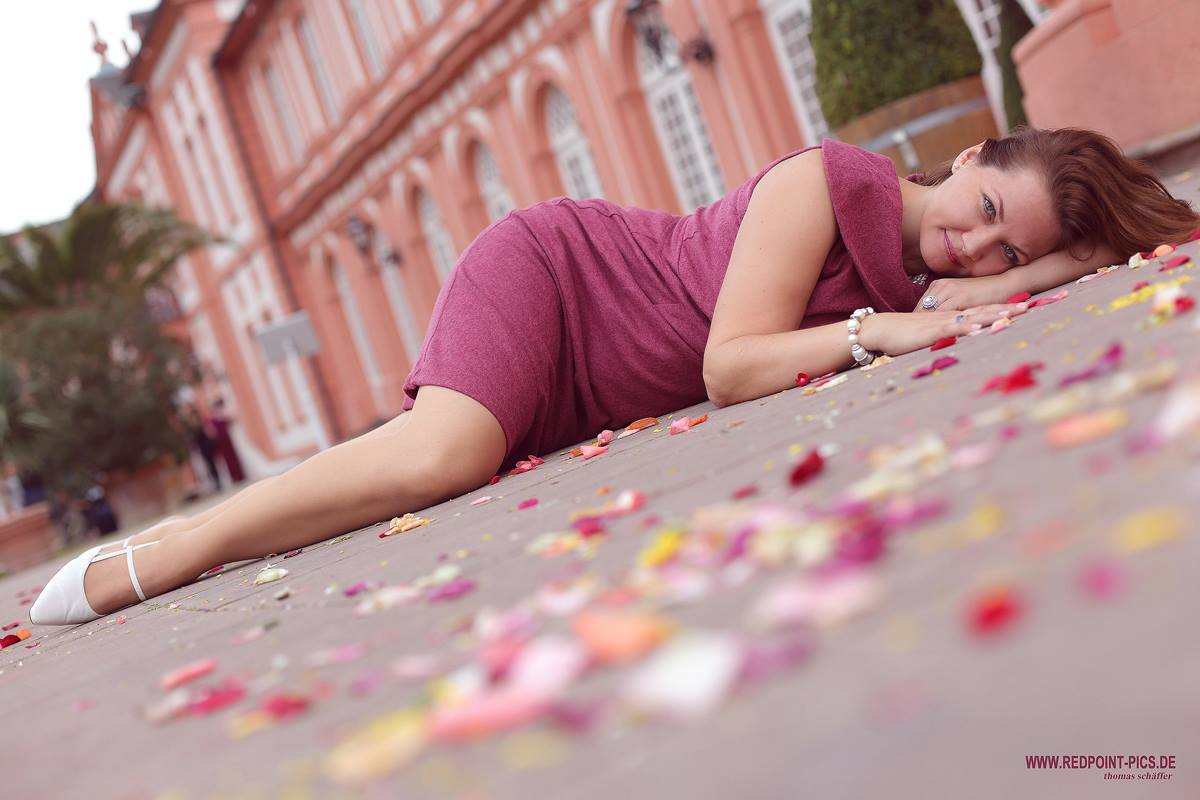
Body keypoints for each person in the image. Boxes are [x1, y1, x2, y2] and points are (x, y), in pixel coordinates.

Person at [30, 128, 1199, 626]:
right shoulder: (827, 181)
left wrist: (1008, 282)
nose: (975, 247)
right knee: (442, 456)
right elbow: (733, 366)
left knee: (450, 465)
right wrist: (878, 336)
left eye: (1011, 251)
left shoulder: (947, 270)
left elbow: (1061, 263)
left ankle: (187, 545)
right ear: (971, 152)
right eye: (985, 209)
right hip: (562, 278)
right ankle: (168, 552)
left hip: (595, 385)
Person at [206, 398, 245, 485]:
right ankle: (234, 476)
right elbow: (211, 431)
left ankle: (239, 475)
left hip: (227, 440)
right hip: (221, 441)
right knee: (228, 460)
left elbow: (231, 421)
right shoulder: (212, 419)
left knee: (233, 457)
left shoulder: (221, 415)